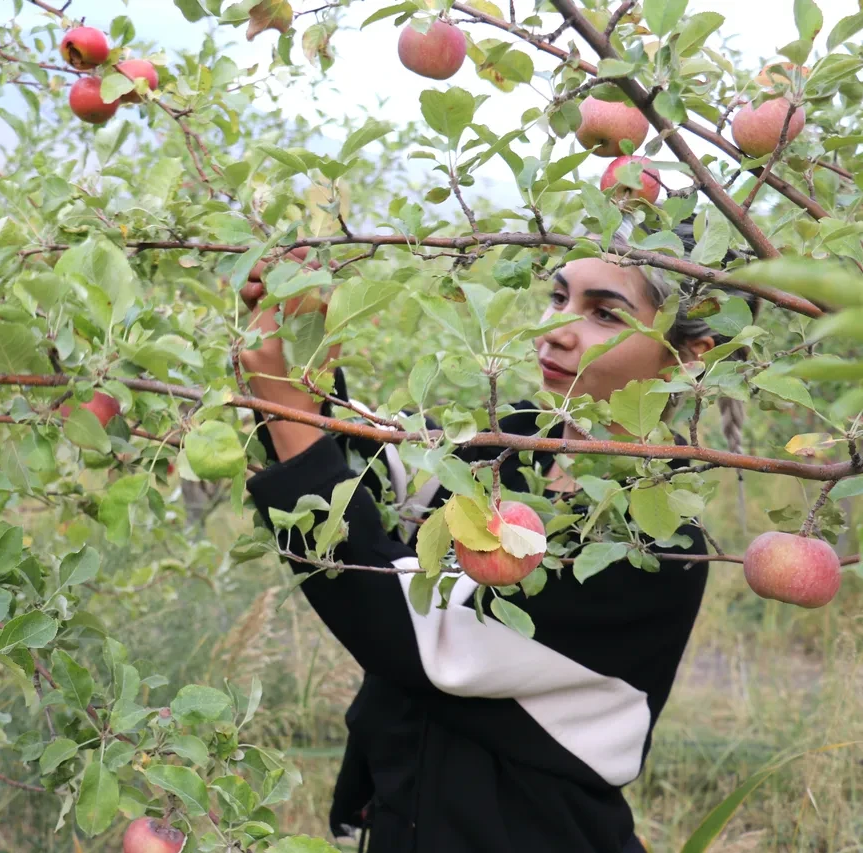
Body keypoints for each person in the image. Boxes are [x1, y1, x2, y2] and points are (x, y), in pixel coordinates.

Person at [238, 219, 755, 853]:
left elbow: (413, 634)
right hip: (400, 816)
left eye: (606, 316)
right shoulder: (509, 442)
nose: (556, 332)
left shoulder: (653, 542)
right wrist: (303, 353)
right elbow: (363, 492)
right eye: (558, 297)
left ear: (692, 353)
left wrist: (281, 401)